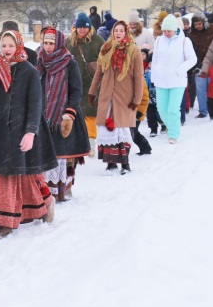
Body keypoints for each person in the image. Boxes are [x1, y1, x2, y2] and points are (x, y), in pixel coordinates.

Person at [0, 30, 56, 238]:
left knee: (25, 175)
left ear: (19, 46)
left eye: (10, 45)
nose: (6, 50)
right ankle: (19, 213)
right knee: (6, 175)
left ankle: (11, 219)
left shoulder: (29, 72)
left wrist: (30, 133)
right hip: (0, 133)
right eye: (3, 45)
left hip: (21, 131)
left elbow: (36, 106)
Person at [36, 27, 90, 202]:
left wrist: (70, 112)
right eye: (45, 43)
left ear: (58, 43)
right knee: (47, 154)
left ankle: (63, 190)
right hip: (45, 117)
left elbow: (77, 91)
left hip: (65, 116)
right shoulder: (40, 61)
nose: (48, 47)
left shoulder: (69, 63)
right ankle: (46, 191)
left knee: (63, 155)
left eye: (51, 43)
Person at [88, 21, 144, 174]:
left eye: (121, 30)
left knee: (122, 130)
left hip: (125, 97)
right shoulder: (105, 49)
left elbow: (139, 78)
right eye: (115, 31)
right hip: (106, 96)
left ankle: (125, 164)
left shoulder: (134, 50)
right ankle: (110, 162)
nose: (118, 33)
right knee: (107, 128)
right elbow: (99, 73)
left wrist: (136, 100)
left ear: (126, 33)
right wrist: (92, 92)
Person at [151, 15, 196, 144]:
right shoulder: (159, 40)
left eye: (169, 31)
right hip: (161, 80)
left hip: (177, 81)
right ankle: (171, 126)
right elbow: (155, 60)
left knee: (173, 108)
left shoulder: (184, 41)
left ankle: (173, 134)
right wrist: (155, 75)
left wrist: (179, 70)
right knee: (161, 108)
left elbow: (192, 59)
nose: (166, 33)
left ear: (175, 29)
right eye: (164, 31)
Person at [68, 12, 105, 156]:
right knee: (76, 113)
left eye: (85, 27)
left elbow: (105, 58)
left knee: (90, 113)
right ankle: (78, 143)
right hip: (74, 82)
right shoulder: (70, 42)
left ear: (90, 28)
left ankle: (91, 145)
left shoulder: (97, 41)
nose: (82, 30)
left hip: (92, 82)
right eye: (79, 27)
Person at [189, 13, 213, 118]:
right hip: (199, 65)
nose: (198, 26)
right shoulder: (191, 34)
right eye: (195, 24)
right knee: (200, 88)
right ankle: (203, 110)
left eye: (200, 23)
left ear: (204, 22)